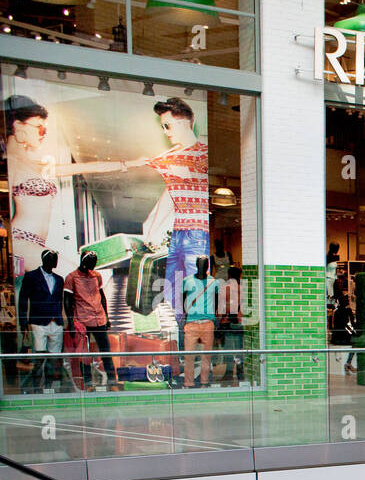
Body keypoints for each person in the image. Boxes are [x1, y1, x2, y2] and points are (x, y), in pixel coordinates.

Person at [2, 95, 132, 277]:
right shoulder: (12, 163)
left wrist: (126, 164)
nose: (44, 134)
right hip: (21, 240)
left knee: (78, 283)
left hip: (36, 243)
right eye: (39, 128)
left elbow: (85, 167)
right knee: (79, 278)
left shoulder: (34, 164)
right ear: (17, 126)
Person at [125, 98, 210, 321]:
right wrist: (151, 231)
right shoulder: (167, 157)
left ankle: (197, 326)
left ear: (184, 123)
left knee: (196, 283)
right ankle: (183, 328)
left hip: (197, 230)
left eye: (167, 125)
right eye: (163, 126)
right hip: (178, 232)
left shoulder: (205, 154)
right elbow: (168, 196)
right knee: (171, 283)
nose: (165, 132)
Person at [63, 250, 118, 390]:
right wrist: (70, 323)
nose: (94, 266)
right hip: (82, 320)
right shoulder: (71, 278)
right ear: (84, 261)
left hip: (99, 318)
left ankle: (112, 381)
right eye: (91, 263)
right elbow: (67, 302)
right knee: (84, 353)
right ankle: (88, 383)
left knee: (106, 350)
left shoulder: (97, 276)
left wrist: (107, 317)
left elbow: (102, 297)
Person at [16, 248, 66, 391]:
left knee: (53, 358)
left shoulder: (59, 279)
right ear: (44, 260)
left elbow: (59, 301)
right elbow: (23, 300)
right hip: (38, 322)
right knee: (39, 357)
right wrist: (23, 322)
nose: (55, 261)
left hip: (55, 322)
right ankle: (37, 388)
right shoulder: (31, 277)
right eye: (52, 258)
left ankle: (48, 387)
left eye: (55, 258)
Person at [178, 256, 219, 388]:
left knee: (206, 356)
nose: (203, 266)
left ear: (208, 266)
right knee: (189, 356)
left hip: (208, 323)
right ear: (196, 265)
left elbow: (216, 300)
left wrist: (210, 313)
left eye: (205, 264)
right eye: (200, 264)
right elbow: (182, 300)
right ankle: (188, 383)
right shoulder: (187, 281)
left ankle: (204, 382)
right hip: (192, 323)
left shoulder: (213, 282)